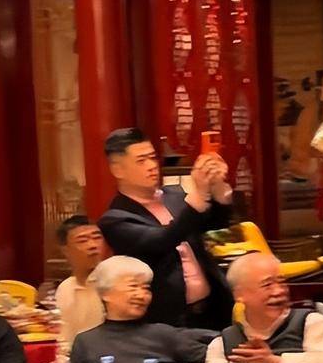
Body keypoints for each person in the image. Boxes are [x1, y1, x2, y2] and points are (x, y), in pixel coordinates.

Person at [99, 128, 234, 330]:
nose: (152, 166)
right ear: (118, 170)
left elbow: (215, 223)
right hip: (168, 320)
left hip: (213, 308)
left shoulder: (175, 196)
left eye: (153, 158)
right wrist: (199, 195)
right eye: (141, 161)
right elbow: (163, 240)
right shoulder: (115, 219)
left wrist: (217, 187)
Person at [205, 252, 323, 363]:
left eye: (282, 282)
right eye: (267, 285)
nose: (278, 291)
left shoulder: (312, 323)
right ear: (239, 294)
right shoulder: (223, 342)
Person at [70, 255, 213, 363]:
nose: (142, 295)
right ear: (105, 293)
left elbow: (216, 353)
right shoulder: (85, 342)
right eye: (133, 287)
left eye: (146, 288)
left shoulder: (164, 335)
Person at [54, 215, 105, 347]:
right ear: (65, 250)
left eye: (97, 238)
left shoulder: (113, 283)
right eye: (82, 241)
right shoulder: (65, 288)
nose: (93, 245)